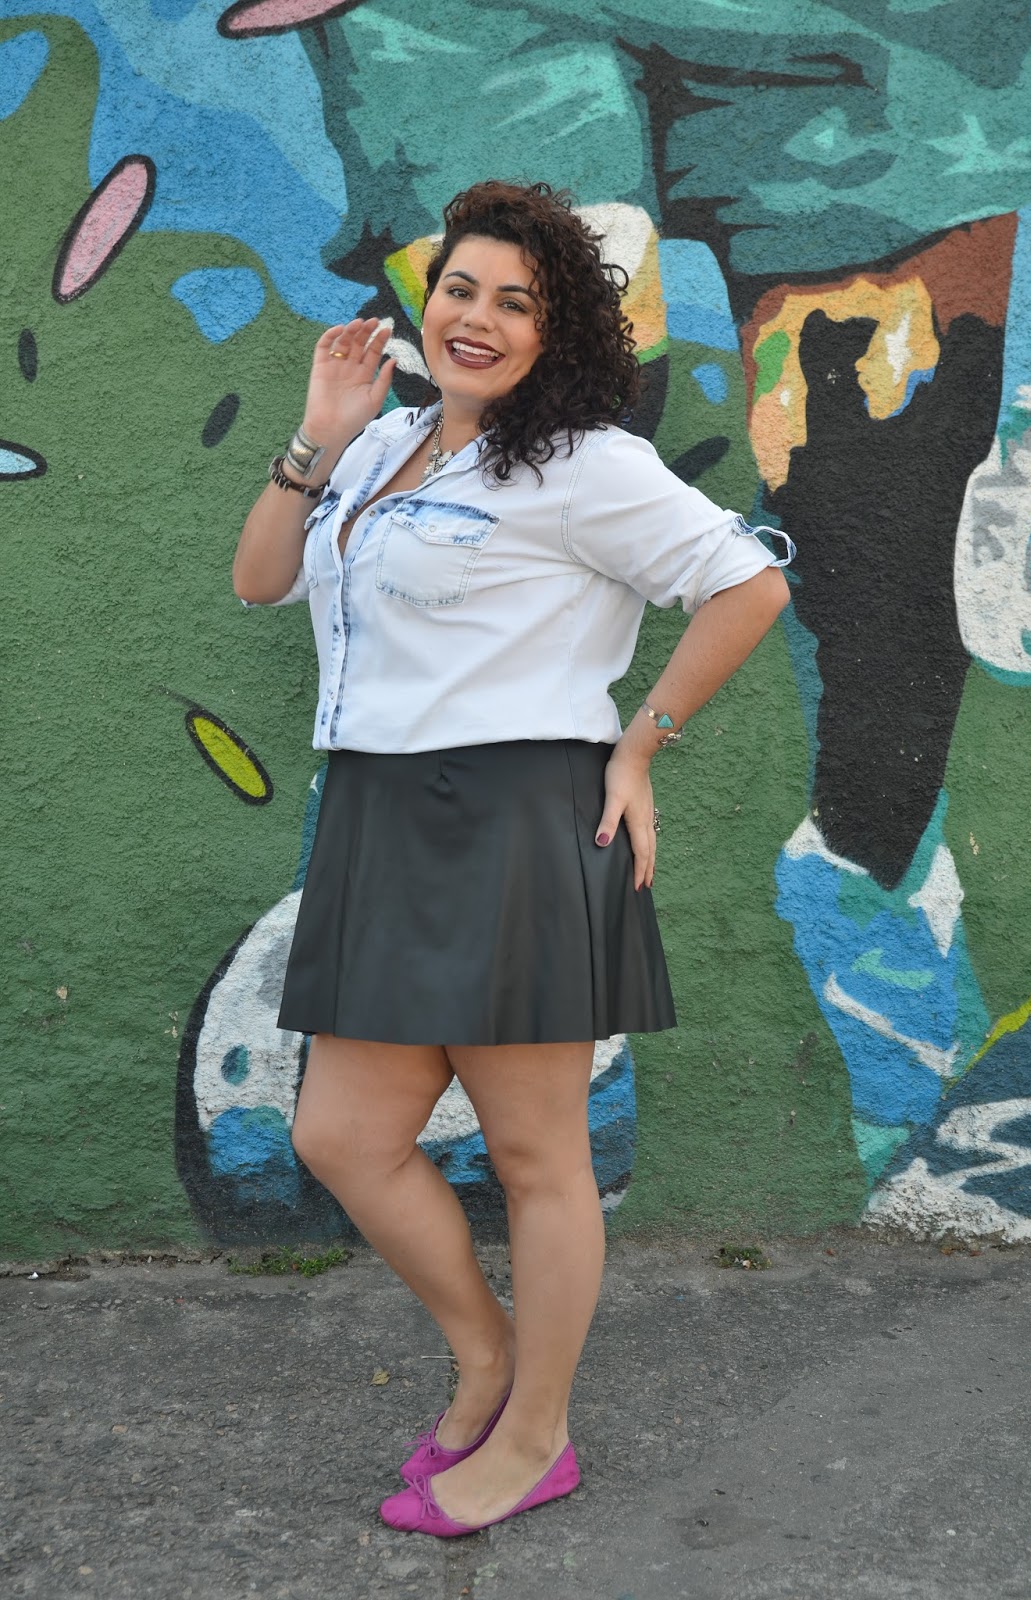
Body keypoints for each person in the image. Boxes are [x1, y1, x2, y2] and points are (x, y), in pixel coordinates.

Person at [232, 180, 791, 1538]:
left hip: (516, 819)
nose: (476, 319)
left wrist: (640, 747)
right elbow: (260, 579)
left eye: (516, 303)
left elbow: (750, 584)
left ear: (559, 332)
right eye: (462, 289)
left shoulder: (585, 464)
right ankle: (486, 1356)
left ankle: (538, 1436)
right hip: (378, 813)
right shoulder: (385, 443)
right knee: (342, 1135)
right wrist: (317, 438)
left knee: (537, 1157)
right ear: (429, 301)